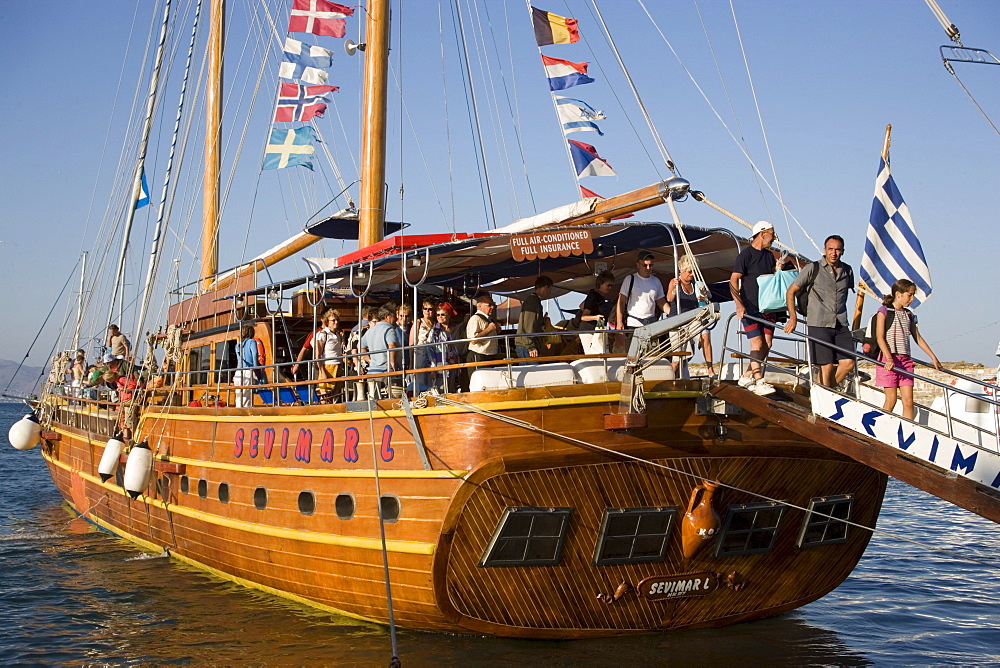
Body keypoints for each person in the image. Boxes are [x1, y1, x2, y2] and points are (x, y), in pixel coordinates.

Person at [784, 235, 855, 388]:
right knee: (827, 366)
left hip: (841, 322)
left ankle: (825, 390)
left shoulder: (847, 270)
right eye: (830, 249)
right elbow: (791, 292)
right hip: (819, 322)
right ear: (824, 250)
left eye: (837, 249)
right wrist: (793, 318)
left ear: (842, 251)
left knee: (849, 363)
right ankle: (826, 393)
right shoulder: (812, 268)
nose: (834, 253)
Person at [875, 278, 942, 420]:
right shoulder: (884, 311)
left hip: (905, 360)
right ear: (899, 294)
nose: (911, 299)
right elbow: (880, 336)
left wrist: (933, 357)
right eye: (909, 295)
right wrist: (889, 357)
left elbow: (917, 337)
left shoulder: (908, 314)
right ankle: (883, 426)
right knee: (891, 399)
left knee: (908, 401)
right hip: (889, 359)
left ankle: (907, 430)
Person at [730, 221, 781, 396]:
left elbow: (772, 278)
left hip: (768, 306)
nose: (774, 238)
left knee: (767, 344)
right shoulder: (745, 255)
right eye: (772, 234)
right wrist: (739, 304)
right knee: (757, 343)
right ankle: (759, 380)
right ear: (762, 233)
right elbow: (733, 280)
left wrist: (779, 269)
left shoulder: (769, 255)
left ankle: (746, 375)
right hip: (750, 306)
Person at [667, 256, 716, 377]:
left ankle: (710, 370)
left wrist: (704, 296)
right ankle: (669, 378)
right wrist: (673, 288)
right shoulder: (675, 282)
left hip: (692, 319)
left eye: (693, 271)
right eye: (689, 271)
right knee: (677, 360)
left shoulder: (696, 284)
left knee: (705, 335)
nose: (692, 274)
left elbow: (705, 300)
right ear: (682, 271)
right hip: (677, 322)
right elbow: (669, 298)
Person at [360, 307, 400, 398]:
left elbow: (361, 346)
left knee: (373, 400)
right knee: (389, 399)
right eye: (394, 316)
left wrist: (369, 360)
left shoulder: (370, 330)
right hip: (385, 371)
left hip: (372, 371)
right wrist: (392, 362)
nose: (396, 319)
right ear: (387, 317)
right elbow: (392, 344)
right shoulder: (389, 329)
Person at [578, 271, 616, 355]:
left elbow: (581, 306)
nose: (610, 288)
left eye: (611, 286)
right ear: (601, 284)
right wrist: (596, 317)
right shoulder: (594, 295)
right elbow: (583, 317)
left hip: (595, 329)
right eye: (608, 285)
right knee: (592, 355)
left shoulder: (598, 296)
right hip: (588, 330)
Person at [515, 276, 553, 359]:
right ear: (546, 287)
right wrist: (530, 346)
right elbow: (528, 325)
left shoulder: (533, 301)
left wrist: (542, 321)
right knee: (531, 370)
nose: (550, 292)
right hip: (526, 346)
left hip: (524, 344)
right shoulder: (533, 302)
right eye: (550, 289)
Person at [313, 310, 344, 403]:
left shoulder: (338, 334)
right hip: (327, 365)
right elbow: (317, 355)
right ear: (327, 322)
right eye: (333, 320)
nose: (336, 322)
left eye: (337, 320)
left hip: (338, 364)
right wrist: (322, 371)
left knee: (337, 391)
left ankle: (335, 406)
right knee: (324, 393)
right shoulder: (323, 334)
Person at [411, 297, 438, 393]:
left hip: (433, 352)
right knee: (421, 380)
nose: (427, 311)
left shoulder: (435, 324)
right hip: (420, 351)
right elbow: (412, 343)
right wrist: (411, 363)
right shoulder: (418, 322)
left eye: (430, 309)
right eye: (425, 309)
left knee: (432, 381)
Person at [466, 294, 500, 364]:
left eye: (493, 305)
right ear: (480, 306)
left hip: (489, 356)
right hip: (478, 356)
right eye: (489, 305)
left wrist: (496, 330)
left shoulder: (488, 319)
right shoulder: (475, 318)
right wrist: (489, 329)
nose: (492, 307)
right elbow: (473, 340)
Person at [234, 324, 259, 408]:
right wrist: (256, 367)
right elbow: (254, 354)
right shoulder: (252, 342)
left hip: (238, 372)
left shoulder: (238, 345)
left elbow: (239, 360)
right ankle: (245, 415)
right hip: (248, 371)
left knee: (239, 396)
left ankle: (238, 413)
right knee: (247, 396)